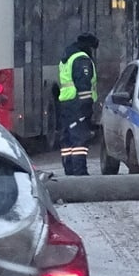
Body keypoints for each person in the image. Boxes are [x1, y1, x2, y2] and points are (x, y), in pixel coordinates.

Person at [58, 33, 99, 175]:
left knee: (68, 138)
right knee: (79, 138)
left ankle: (69, 169)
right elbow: (84, 85)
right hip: (78, 105)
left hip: (66, 103)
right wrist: (86, 107)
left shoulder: (67, 57)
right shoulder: (82, 59)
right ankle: (80, 171)